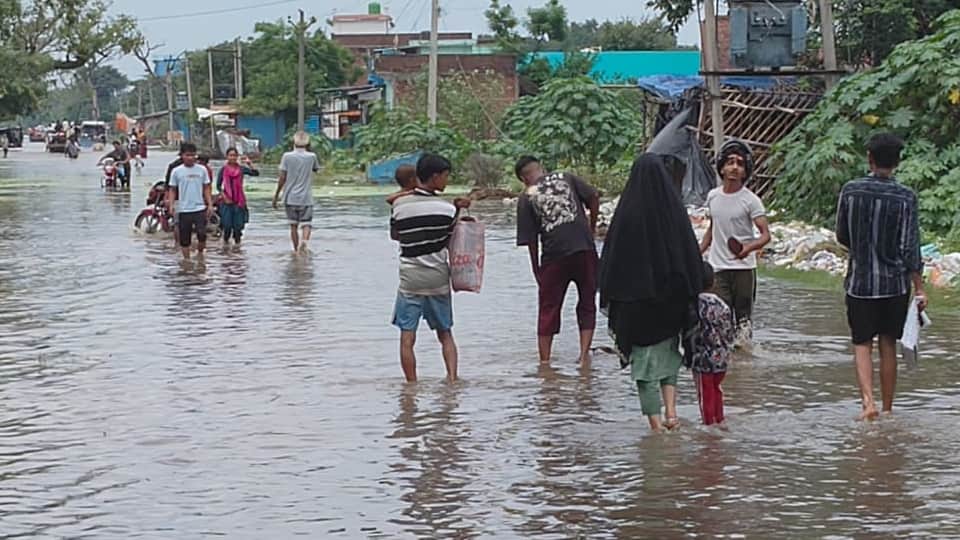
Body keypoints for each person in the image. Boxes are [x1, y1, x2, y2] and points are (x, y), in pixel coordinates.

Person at [599, 154, 704, 432]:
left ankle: (655, 427)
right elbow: (690, 255)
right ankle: (672, 414)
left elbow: (610, 264)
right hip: (670, 305)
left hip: (637, 307)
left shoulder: (626, 215)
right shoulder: (673, 211)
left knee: (644, 368)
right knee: (669, 358)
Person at [836, 133, 926, 421]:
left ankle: (867, 403)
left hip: (860, 283)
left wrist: (861, 250)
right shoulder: (906, 197)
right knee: (888, 343)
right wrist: (920, 288)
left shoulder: (850, 191)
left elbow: (842, 235)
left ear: (869, 158)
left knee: (862, 342)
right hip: (894, 285)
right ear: (897, 162)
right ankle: (887, 409)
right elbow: (910, 247)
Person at [390, 153, 470, 383]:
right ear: (434, 177)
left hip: (410, 279)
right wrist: (457, 211)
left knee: (407, 338)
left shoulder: (398, 205)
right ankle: (453, 380)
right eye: (445, 176)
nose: (446, 181)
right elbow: (449, 240)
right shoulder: (445, 210)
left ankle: (411, 386)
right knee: (445, 334)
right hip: (437, 279)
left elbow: (396, 235)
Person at [515, 156, 600, 366]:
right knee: (587, 302)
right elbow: (594, 196)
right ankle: (583, 355)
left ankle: (545, 362)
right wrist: (591, 228)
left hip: (554, 256)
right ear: (541, 168)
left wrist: (537, 270)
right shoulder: (566, 177)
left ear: (523, 179)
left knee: (548, 308)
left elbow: (531, 240)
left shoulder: (527, 195)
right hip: (584, 249)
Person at [699, 140, 771, 347]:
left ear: (745, 171)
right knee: (719, 317)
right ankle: (725, 364)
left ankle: (744, 366)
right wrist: (697, 252)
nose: (734, 167)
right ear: (721, 167)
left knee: (743, 322)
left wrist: (748, 248)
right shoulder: (713, 196)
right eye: (730, 162)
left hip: (744, 270)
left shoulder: (751, 201)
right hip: (718, 268)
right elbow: (712, 229)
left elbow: (766, 235)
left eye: (739, 163)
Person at [687, 262, 736, 426]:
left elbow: (690, 329)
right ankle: (719, 419)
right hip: (722, 357)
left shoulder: (695, 304)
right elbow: (730, 332)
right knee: (716, 389)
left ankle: (708, 424)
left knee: (704, 393)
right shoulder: (722, 305)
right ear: (713, 282)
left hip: (702, 359)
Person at [273, 131, 320, 253]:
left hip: (290, 198)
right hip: (306, 198)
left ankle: (295, 250)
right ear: (307, 143)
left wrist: (276, 195)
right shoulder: (312, 157)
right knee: (307, 224)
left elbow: (282, 177)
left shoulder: (286, 156)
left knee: (293, 226)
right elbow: (316, 169)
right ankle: (304, 242)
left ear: (294, 142)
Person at [166, 143, 213, 260]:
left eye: (193, 155)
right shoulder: (176, 171)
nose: (190, 158)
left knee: (202, 234)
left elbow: (207, 187)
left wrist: (210, 204)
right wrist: (171, 205)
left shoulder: (202, 170)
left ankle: (200, 254)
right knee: (185, 238)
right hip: (183, 209)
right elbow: (172, 189)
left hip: (199, 208)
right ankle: (186, 261)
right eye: (188, 155)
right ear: (182, 156)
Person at [217, 148, 260, 246]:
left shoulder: (241, 169)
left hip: (239, 201)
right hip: (227, 202)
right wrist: (225, 197)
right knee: (227, 226)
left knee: (238, 228)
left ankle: (237, 250)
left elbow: (256, 173)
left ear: (237, 157)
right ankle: (225, 248)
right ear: (227, 157)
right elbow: (218, 186)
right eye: (230, 155)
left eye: (234, 155)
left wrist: (249, 163)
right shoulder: (223, 170)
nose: (232, 157)